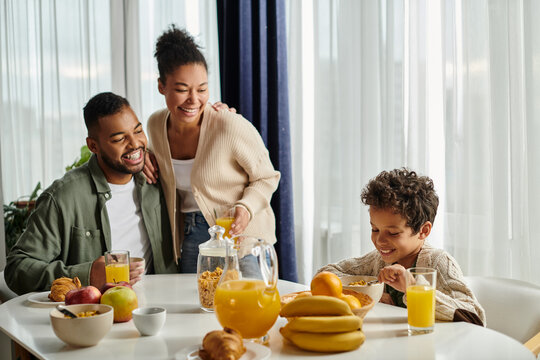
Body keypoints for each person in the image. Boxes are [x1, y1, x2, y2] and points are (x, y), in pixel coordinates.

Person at [5, 92, 178, 295]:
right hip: (96, 313)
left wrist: (219, 114)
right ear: (93, 146)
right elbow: (17, 268)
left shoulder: (156, 178)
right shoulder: (63, 197)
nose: (135, 144)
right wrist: (87, 276)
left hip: (160, 305)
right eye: (119, 139)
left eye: (138, 131)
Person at [143, 25, 280, 273]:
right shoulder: (154, 125)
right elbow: (152, 160)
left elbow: (267, 177)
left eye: (202, 89)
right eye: (182, 90)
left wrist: (246, 208)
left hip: (243, 236)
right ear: (161, 86)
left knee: (249, 309)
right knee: (197, 309)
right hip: (192, 240)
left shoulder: (228, 124)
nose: (193, 100)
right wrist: (144, 160)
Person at [318, 168, 486, 325]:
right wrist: (367, 295)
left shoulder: (438, 263)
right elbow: (324, 275)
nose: (379, 240)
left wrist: (414, 288)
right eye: (375, 229)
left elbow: (475, 318)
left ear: (423, 231)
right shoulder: (377, 261)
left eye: (393, 233)